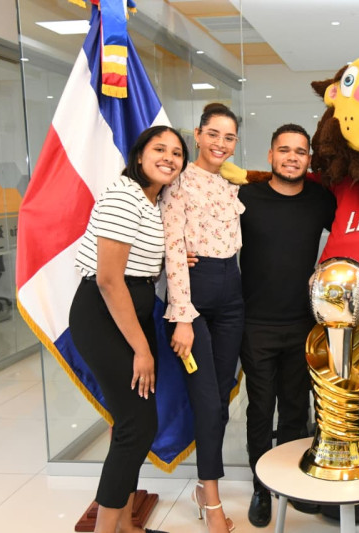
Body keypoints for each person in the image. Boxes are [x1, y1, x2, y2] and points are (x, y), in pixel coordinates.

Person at [69, 125, 188, 533]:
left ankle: (125, 527)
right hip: (104, 316)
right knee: (137, 426)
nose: (169, 157)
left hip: (128, 315)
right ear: (139, 155)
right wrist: (142, 349)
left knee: (133, 426)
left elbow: (138, 263)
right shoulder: (124, 195)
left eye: (177, 152)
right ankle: (109, 530)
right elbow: (108, 279)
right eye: (160, 149)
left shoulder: (149, 202)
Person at [237, 124, 336, 527]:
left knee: (295, 407)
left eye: (300, 151)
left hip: (302, 322)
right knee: (261, 407)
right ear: (270, 156)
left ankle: (290, 479)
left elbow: (353, 232)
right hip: (255, 321)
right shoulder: (245, 197)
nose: (292, 157)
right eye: (284, 150)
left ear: (309, 159)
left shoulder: (320, 200)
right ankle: (262, 486)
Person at [160, 103, 244, 533]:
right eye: (214, 134)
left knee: (224, 392)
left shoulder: (230, 182)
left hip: (233, 294)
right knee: (208, 402)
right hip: (195, 300)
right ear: (197, 134)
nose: (221, 144)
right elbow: (174, 249)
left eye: (229, 137)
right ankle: (210, 498)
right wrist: (183, 317)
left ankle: (203, 483)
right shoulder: (177, 183)